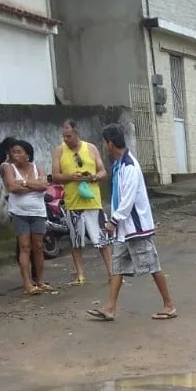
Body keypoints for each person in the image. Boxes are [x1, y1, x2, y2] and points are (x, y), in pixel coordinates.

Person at [86, 124, 176, 322]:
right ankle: (110, 307)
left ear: (110, 143)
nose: (104, 146)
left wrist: (113, 221)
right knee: (117, 267)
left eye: (105, 142)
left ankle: (169, 304)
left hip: (136, 228)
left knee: (152, 265)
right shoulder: (119, 165)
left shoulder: (129, 167)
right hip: (124, 230)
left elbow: (127, 200)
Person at [51, 120, 113, 285]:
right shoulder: (59, 151)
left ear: (77, 133)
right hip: (73, 203)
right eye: (64, 136)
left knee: (102, 240)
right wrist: (71, 177)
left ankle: (111, 273)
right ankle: (80, 275)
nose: (65, 139)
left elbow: (103, 172)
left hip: (93, 202)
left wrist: (93, 177)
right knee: (75, 241)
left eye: (69, 136)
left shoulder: (91, 148)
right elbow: (55, 176)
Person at [0, 137, 53, 296]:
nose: (15, 155)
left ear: (28, 154)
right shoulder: (7, 167)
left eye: (19, 152)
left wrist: (25, 184)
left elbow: (44, 185)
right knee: (25, 247)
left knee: (39, 247)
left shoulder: (37, 167)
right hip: (19, 213)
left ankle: (40, 281)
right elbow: (12, 187)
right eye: (13, 152)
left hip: (38, 212)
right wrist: (33, 186)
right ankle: (27, 283)